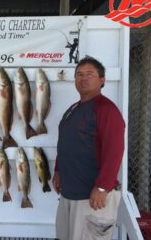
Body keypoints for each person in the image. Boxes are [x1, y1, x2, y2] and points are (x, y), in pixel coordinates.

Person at [53, 56, 125, 240]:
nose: (83, 78)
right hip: (70, 195)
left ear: (102, 80)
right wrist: (58, 171)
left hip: (92, 199)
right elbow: (66, 143)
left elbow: (114, 150)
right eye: (79, 74)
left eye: (90, 74)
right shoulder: (73, 109)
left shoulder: (107, 109)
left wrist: (102, 187)